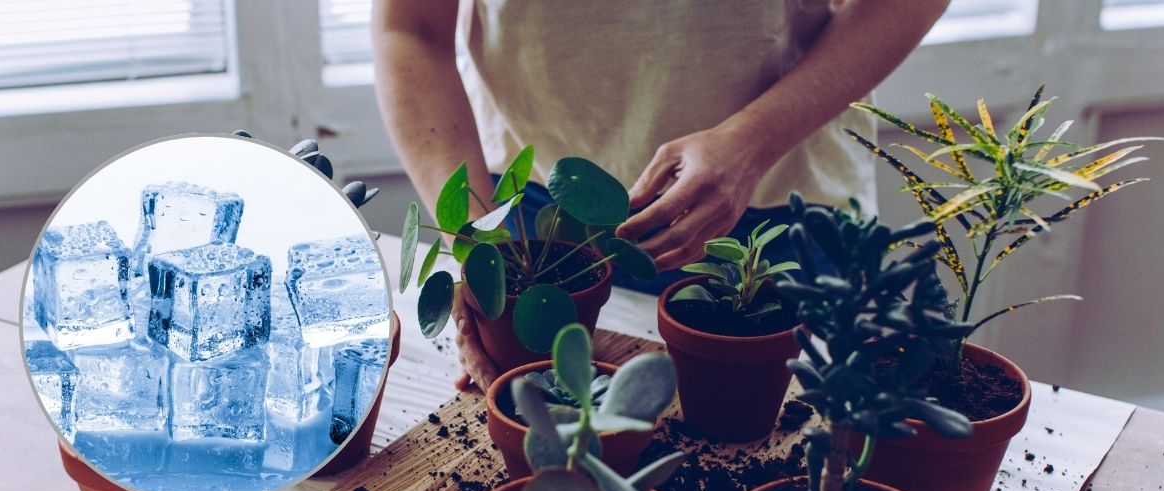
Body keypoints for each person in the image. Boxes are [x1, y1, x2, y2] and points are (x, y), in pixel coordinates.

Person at [373, 0, 948, 389]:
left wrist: (751, 143)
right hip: (532, 220)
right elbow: (411, 26)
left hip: (779, 205)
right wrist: (476, 236)